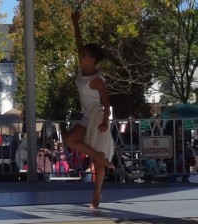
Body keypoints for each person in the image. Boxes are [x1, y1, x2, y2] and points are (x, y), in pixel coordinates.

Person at [63, 8, 115, 209]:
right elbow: (79, 42)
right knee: (70, 140)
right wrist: (75, 22)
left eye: (84, 55)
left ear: (92, 59)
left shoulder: (96, 80)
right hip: (87, 116)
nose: (80, 55)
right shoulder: (82, 70)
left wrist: (105, 121)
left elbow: (107, 101)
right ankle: (99, 156)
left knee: (98, 160)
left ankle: (96, 196)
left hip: (97, 116)